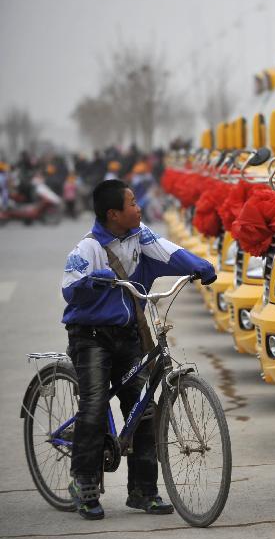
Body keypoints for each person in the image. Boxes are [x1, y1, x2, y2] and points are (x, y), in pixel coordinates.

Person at [60, 179, 216, 520]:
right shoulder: (88, 247)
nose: (139, 207)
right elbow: (69, 285)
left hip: (127, 334)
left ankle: (143, 491)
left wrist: (200, 267)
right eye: (132, 203)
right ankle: (83, 482)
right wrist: (92, 280)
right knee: (95, 405)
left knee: (144, 408)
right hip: (91, 337)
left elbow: (168, 251)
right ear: (114, 214)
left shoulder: (138, 235)